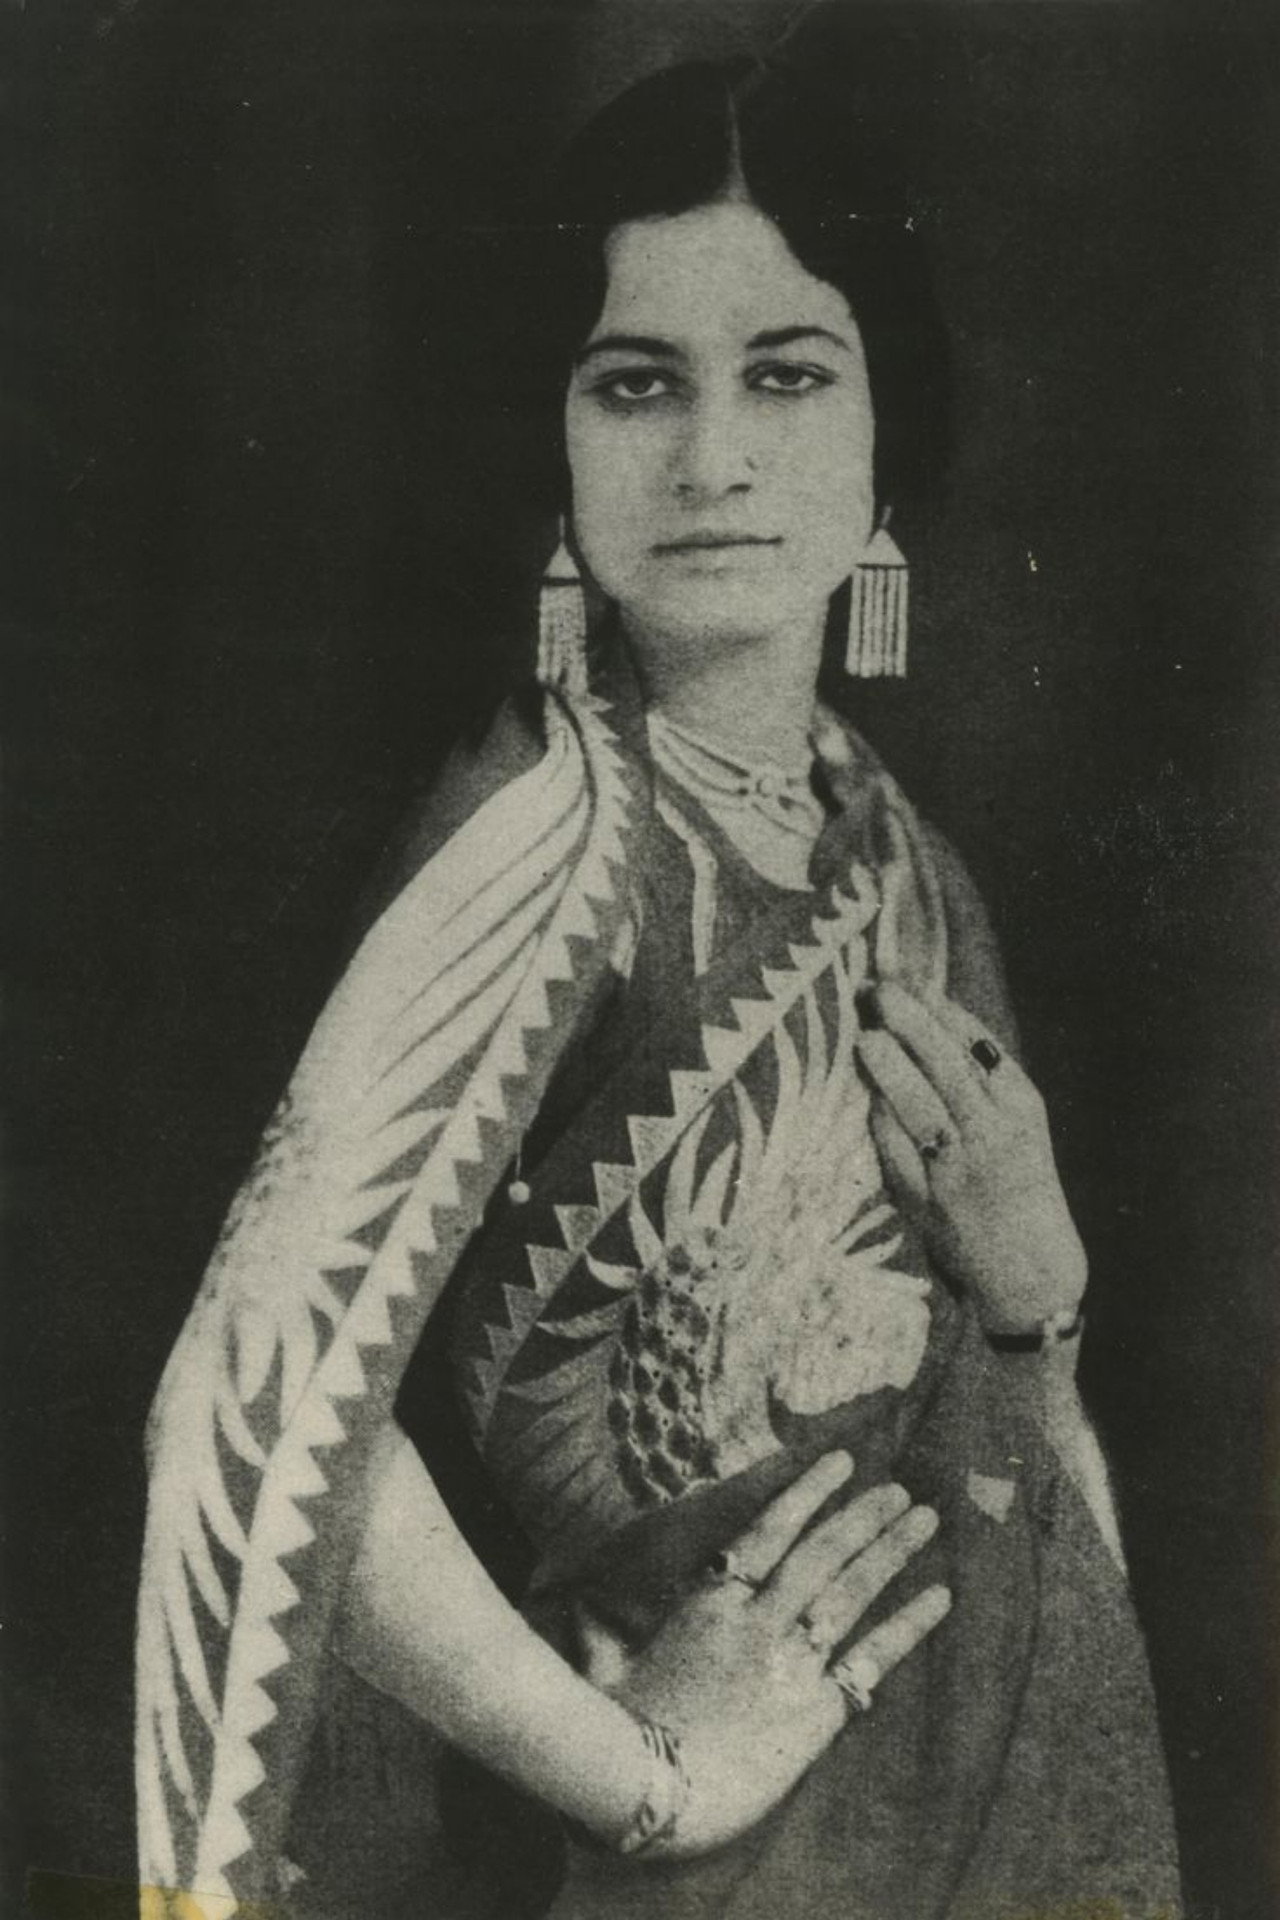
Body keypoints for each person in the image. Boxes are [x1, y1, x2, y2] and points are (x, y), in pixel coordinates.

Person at [135, 57, 1183, 1920]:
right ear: (554, 442)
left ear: (888, 431)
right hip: (758, 1865)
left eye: (788, 374)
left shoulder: (905, 855)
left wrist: (1044, 1305)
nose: (713, 457)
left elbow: (1022, 1458)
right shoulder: (548, 838)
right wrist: (648, 1781)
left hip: (1051, 1803)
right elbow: (252, 1403)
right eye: (637, 382)